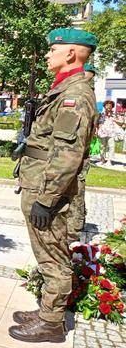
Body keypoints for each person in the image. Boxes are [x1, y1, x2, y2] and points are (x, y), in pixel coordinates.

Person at [9, 28, 97, 343]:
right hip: (38, 181)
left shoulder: (75, 95)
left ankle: (51, 323)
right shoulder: (63, 90)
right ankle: (47, 310)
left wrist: (46, 200)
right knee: (46, 251)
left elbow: (68, 155)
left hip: (49, 190)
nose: (48, 54)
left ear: (70, 54)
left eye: (52, 50)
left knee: (53, 255)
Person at [67, 63, 99, 244]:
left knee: (76, 191)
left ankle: (74, 231)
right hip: (76, 153)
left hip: (77, 154)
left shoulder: (84, 94)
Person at [97, 99, 124, 166]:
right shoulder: (101, 114)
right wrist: (96, 131)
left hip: (111, 133)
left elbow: (122, 122)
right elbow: (97, 123)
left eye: (110, 106)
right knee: (102, 147)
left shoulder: (115, 114)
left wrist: (114, 119)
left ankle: (109, 161)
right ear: (104, 106)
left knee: (111, 147)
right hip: (102, 133)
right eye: (107, 105)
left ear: (112, 107)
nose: (109, 107)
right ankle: (102, 160)